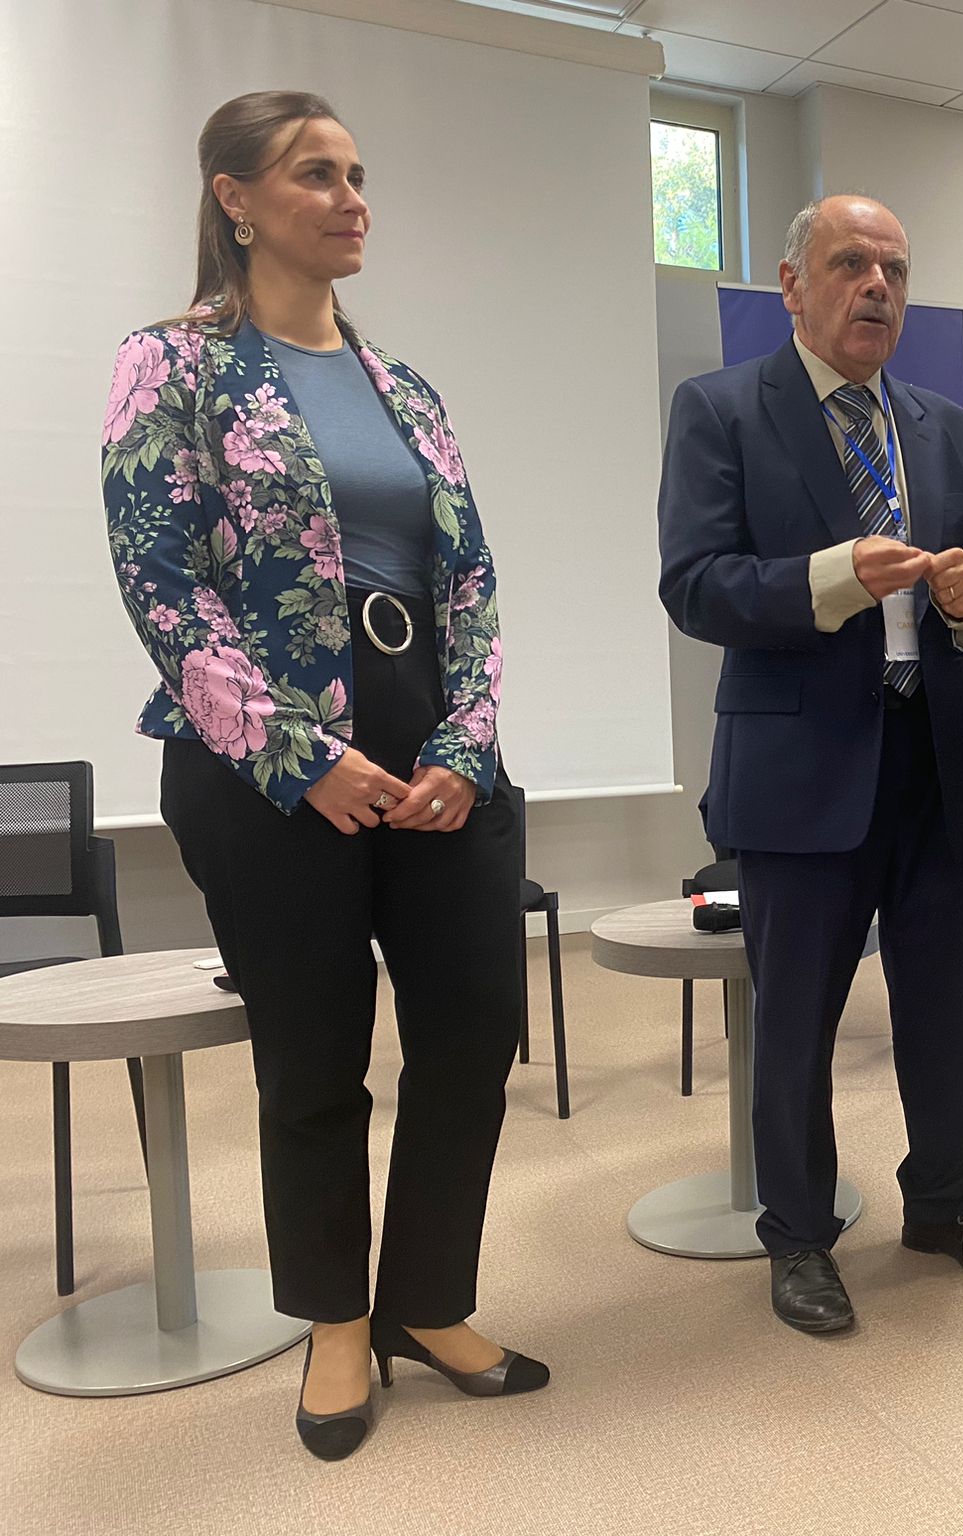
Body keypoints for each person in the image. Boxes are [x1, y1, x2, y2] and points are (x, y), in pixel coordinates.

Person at [101, 92, 544, 1462]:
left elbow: (469, 579)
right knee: (314, 1055)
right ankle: (338, 1321)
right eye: (316, 174)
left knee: (473, 1031)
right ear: (234, 199)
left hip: (436, 755)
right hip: (261, 767)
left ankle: (427, 1302)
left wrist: (464, 743)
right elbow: (162, 587)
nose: (352, 198)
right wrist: (298, 756)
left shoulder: (403, 386)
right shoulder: (169, 364)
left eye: (357, 174)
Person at [658, 195, 963, 1335]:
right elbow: (695, 585)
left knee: (945, 1009)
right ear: (792, 284)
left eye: (894, 268)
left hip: (930, 763)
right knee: (795, 1024)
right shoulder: (721, 409)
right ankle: (798, 1236)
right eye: (850, 263)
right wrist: (830, 578)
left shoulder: (949, 430)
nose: (877, 285)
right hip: (798, 772)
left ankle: (945, 1205)